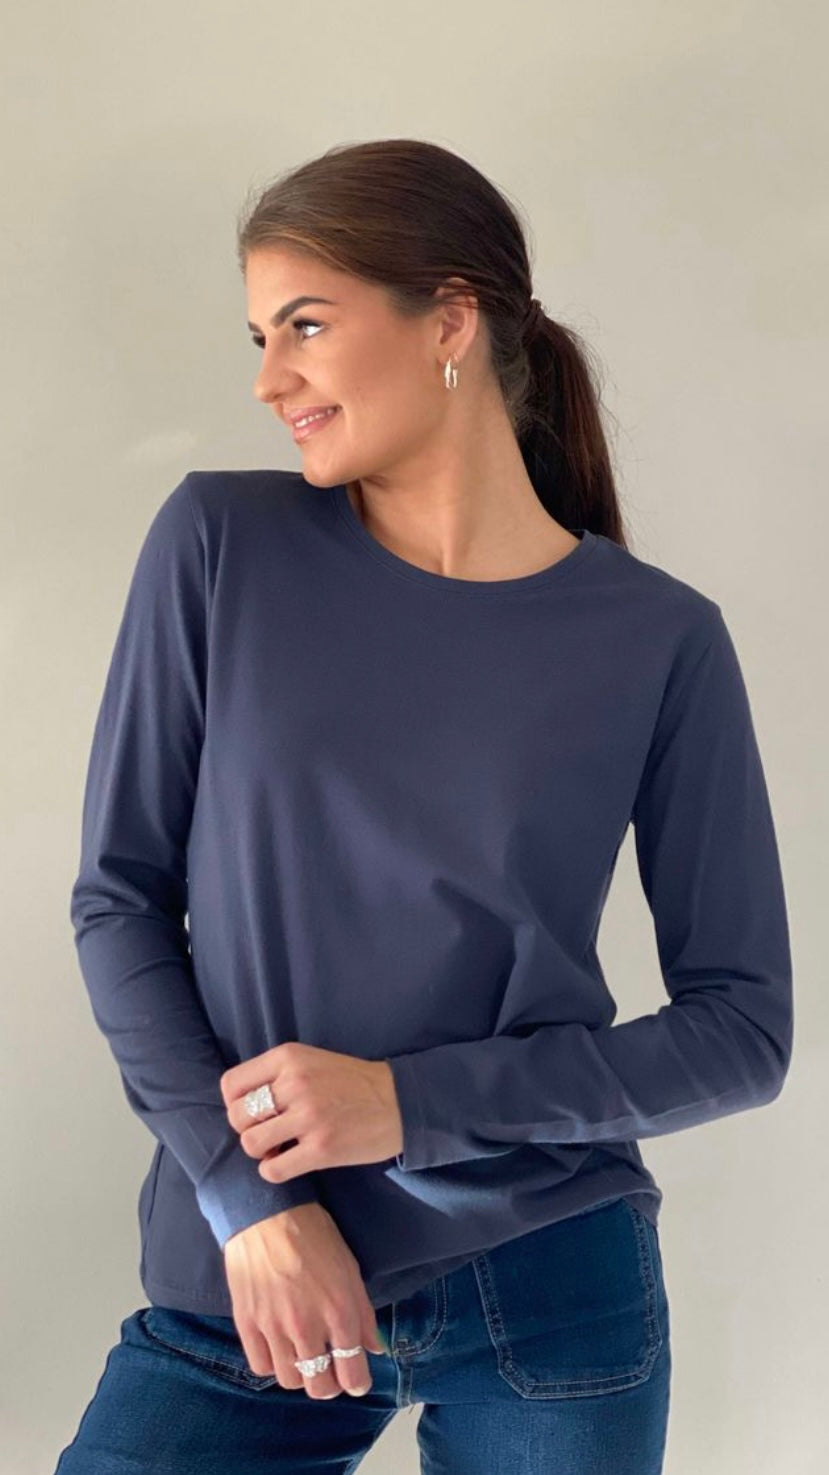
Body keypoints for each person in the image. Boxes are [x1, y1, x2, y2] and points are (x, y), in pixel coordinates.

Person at [55, 138, 793, 1474]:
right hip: (254, 1283)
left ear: (449, 322)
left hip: (550, 1285)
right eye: (261, 337)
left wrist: (411, 1104)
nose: (268, 379)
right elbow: (118, 902)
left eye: (305, 326)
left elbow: (742, 1033)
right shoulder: (222, 546)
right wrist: (246, 1200)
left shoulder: (658, 638)